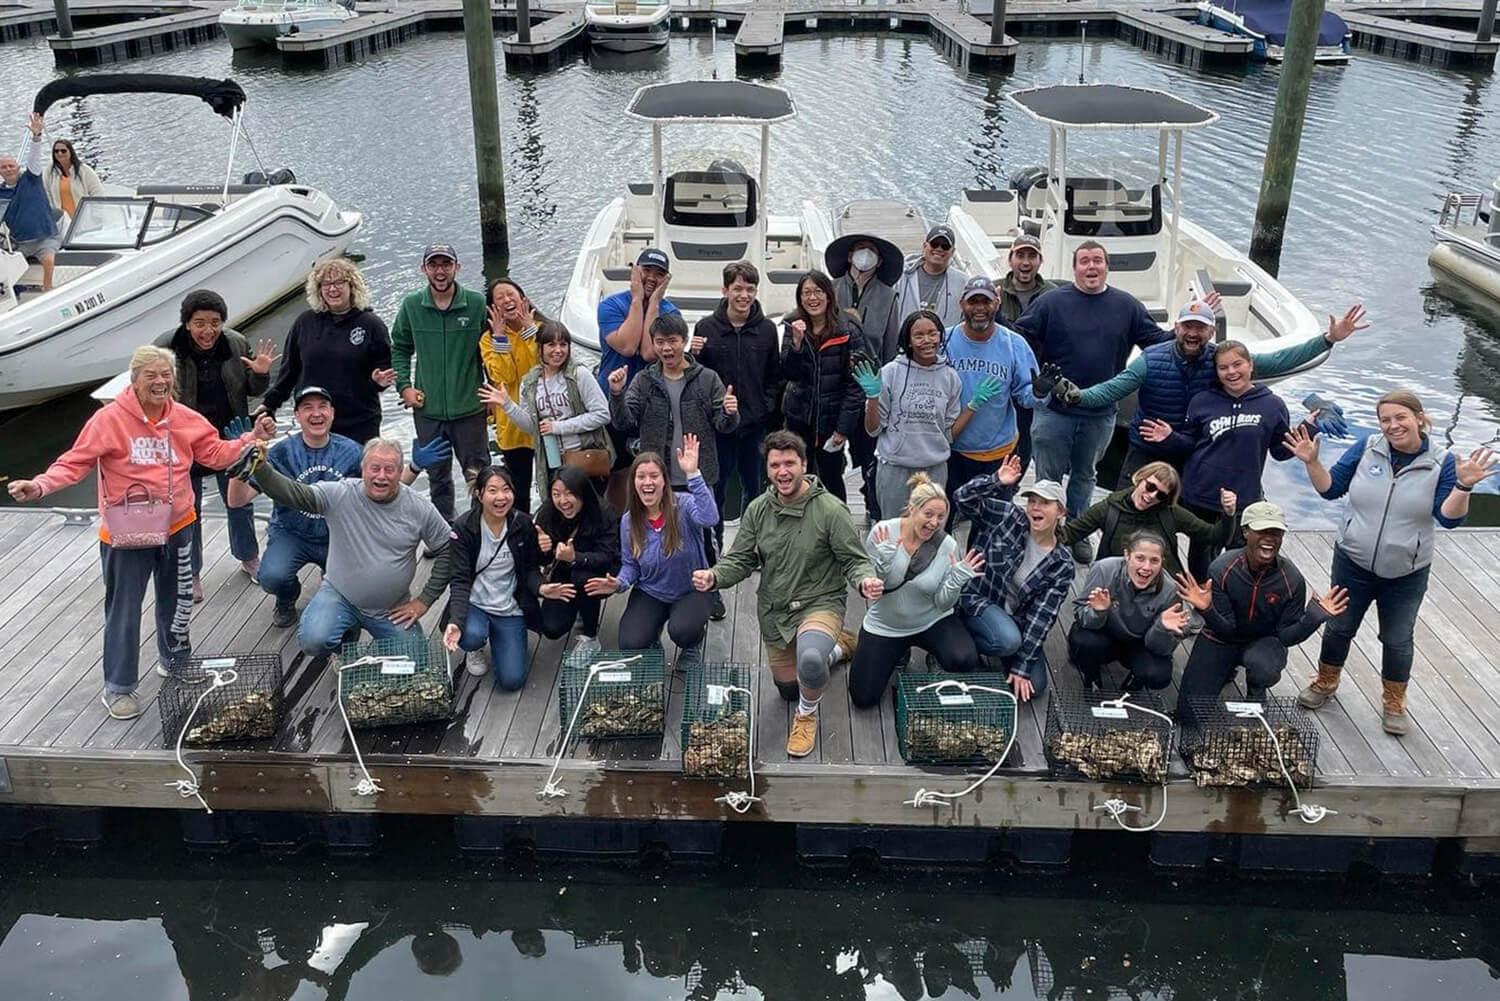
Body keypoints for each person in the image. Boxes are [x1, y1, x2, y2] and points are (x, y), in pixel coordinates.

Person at [6, 345, 271, 720]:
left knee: (176, 602)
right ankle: (118, 687)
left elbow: (215, 454)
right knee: (124, 611)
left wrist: (249, 440)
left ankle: (175, 661)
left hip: (179, 527)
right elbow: (75, 462)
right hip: (126, 534)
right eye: (151, 376)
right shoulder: (109, 420)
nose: (161, 382)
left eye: (166, 375)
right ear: (134, 381)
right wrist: (40, 486)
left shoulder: (185, 418)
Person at [1288, 392, 1499, 734]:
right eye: (1385, 419)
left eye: (1400, 417)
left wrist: (1463, 485)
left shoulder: (1442, 461)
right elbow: (1331, 490)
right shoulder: (1367, 447)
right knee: (1339, 626)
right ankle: (1326, 682)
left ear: (1419, 417)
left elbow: (1448, 519)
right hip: (1352, 559)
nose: (1392, 425)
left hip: (1406, 570)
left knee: (1397, 638)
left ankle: (1393, 701)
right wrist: (1312, 462)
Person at [693, 430, 881, 758]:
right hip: (776, 608)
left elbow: (855, 560)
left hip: (820, 601)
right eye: (775, 464)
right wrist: (714, 576)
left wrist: (865, 580)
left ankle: (807, 717)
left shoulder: (831, 510)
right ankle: (838, 649)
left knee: (808, 663)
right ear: (767, 469)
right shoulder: (757, 510)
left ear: (804, 464)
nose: (783, 471)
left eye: (790, 463)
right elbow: (741, 559)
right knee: (789, 689)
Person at [1056, 300, 1368, 484]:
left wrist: (1329, 338)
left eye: (1200, 327)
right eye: (1187, 326)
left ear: (1211, 331)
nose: (1193, 333)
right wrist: (1077, 395)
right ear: (1176, 328)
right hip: (1147, 449)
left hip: (1196, 451)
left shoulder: (1223, 359)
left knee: (1193, 525)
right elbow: (1113, 389)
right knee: (1126, 514)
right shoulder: (1151, 359)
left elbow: (1279, 360)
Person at [1013, 241, 1173, 558]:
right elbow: (1019, 337)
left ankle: (1075, 532)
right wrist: (1035, 379)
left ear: (1106, 266)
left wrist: (1188, 328)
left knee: (1085, 476)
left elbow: (1157, 342)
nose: (1091, 267)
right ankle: (1042, 533)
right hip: (1054, 410)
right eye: (1084, 261)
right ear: (1074, 268)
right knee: (1047, 477)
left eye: (1097, 261)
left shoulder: (1127, 306)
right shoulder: (1051, 302)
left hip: (1100, 413)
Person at [242, 437, 454, 655]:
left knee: (415, 660)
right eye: (375, 468)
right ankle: (345, 643)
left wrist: (424, 600)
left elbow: (449, 548)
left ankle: (370, 634)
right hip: (339, 596)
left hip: (391, 608)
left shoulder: (420, 508)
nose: (381, 476)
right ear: (362, 469)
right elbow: (295, 494)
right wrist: (261, 468)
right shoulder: (340, 493)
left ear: (400, 472)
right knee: (313, 640)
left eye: (389, 469)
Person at [609, 311, 739, 618]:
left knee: (708, 535)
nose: (667, 348)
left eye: (673, 341)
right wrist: (617, 394)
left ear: (684, 341)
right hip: (658, 478)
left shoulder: (707, 378)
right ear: (653, 345)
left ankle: (712, 588)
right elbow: (625, 422)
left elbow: (724, 425)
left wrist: (731, 412)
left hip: (697, 473)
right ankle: (657, 589)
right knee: (659, 536)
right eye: (660, 342)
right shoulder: (644, 380)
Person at [1139, 340, 1304, 578]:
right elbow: (1190, 443)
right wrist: (1170, 438)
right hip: (1200, 496)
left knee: (1240, 563)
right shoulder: (1202, 400)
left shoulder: (1272, 404)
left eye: (1237, 364)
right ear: (1216, 371)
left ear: (1250, 365)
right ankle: (1201, 604)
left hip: (1244, 498)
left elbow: (1280, 452)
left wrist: (1306, 435)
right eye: (1223, 367)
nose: (1231, 372)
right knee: (1200, 562)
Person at [1174, 501, 1348, 725]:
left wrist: (1314, 617)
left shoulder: (1292, 580)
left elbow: (1286, 637)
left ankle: (1256, 688)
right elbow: (1226, 630)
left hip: (1263, 641)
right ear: (1245, 532)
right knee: (1188, 717)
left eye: (1276, 532)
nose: (1270, 538)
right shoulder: (1221, 569)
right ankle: (1226, 668)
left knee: (1263, 668)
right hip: (1221, 636)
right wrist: (1206, 609)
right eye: (1262, 531)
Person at [155, 289, 278, 596]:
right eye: (199, 323)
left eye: (215, 322)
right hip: (183, 440)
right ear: (186, 324)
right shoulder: (165, 348)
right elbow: (148, 392)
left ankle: (248, 557)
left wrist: (262, 375)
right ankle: (190, 571)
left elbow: (252, 389)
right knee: (186, 509)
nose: (207, 330)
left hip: (229, 435)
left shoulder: (235, 343)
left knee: (239, 501)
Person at [226, 386, 364, 628]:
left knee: (348, 589)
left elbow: (380, 494)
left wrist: (412, 467)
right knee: (271, 577)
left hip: (337, 536)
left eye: (322, 406)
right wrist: (238, 461)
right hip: (292, 533)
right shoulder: (279, 452)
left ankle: (333, 590)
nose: (316, 413)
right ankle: (287, 596)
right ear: (296, 416)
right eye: (307, 408)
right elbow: (237, 501)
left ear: (333, 412)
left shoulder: (353, 451)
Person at [848, 473, 983, 710]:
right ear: (912, 508)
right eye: (928, 514)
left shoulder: (947, 546)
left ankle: (934, 657)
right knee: (863, 698)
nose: (934, 523)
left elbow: (943, 603)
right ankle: (896, 654)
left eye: (941, 517)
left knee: (964, 659)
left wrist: (957, 579)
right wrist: (884, 559)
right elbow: (875, 589)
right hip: (886, 625)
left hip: (931, 620)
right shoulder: (882, 532)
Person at [952, 457, 1074, 702]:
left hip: (1016, 621)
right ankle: (958, 641)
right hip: (978, 601)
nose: (1035, 508)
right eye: (1032, 501)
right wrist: (996, 481)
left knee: (1035, 686)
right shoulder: (1009, 516)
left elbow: (1042, 616)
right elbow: (962, 498)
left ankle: (998, 647)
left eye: (1045, 503)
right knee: (1007, 641)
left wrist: (1022, 666)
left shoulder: (1062, 564)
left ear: (1060, 511)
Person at [588, 442, 717, 667]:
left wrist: (693, 474)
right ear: (634, 483)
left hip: (691, 589)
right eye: (641, 477)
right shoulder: (628, 521)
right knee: (630, 642)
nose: (648, 482)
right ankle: (652, 638)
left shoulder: (684, 504)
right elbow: (631, 565)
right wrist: (618, 583)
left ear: (664, 481)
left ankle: (692, 644)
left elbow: (710, 518)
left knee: (683, 631)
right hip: (651, 591)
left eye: (654, 476)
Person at [391, 242, 489, 521]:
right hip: (428, 411)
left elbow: (489, 351)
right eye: (433, 265)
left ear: (457, 267)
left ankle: (481, 529)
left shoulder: (476, 303)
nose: (440, 271)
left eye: (446, 264)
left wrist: (493, 395)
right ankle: (444, 531)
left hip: (470, 409)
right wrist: (404, 386)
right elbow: (399, 347)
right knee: (438, 476)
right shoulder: (411, 305)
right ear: (424, 269)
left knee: (479, 475)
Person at [942, 275, 1056, 508]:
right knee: (946, 517)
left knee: (992, 523)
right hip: (951, 451)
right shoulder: (945, 339)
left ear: (997, 303)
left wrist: (1040, 392)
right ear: (962, 304)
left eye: (986, 301)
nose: (980, 308)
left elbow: (1027, 398)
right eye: (973, 302)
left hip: (998, 453)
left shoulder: (1015, 344)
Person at [260, 258, 395, 446]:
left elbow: (385, 368)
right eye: (326, 284)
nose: (333, 289)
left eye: (340, 282)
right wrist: (269, 405)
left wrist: (378, 382)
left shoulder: (371, 324)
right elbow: (289, 371)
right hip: (316, 422)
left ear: (352, 286)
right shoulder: (304, 322)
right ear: (318, 289)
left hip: (359, 421)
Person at [693, 260, 782, 539]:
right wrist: (692, 356)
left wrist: (765, 409)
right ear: (725, 290)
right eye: (738, 289)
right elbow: (696, 377)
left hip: (754, 425)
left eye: (750, 289)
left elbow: (774, 376)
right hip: (718, 426)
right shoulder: (705, 327)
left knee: (754, 489)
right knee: (715, 487)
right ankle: (715, 542)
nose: (744, 296)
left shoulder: (767, 330)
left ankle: (750, 545)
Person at [486, 320, 612, 509]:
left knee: (590, 512)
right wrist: (507, 404)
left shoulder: (579, 374)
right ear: (540, 348)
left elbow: (602, 414)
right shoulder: (530, 382)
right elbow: (532, 427)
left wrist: (559, 427)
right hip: (552, 462)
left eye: (563, 344)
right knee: (560, 513)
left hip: (583, 457)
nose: (558, 350)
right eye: (551, 344)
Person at [855, 310, 966, 519]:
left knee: (931, 531)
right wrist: (873, 397)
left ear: (941, 336)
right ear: (908, 340)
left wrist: (973, 407)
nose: (927, 340)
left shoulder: (951, 378)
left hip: (934, 469)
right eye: (919, 335)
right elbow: (873, 430)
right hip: (896, 468)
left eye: (932, 333)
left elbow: (949, 434)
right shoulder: (890, 372)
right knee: (894, 533)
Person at [442, 466, 544, 690]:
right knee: (470, 635)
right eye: (492, 490)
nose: (500, 497)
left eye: (506, 490)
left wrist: (545, 554)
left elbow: (531, 568)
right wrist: (455, 621)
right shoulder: (463, 527)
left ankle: (509, 639)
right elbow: (459, 579)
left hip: (510, 606)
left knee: (512, 681)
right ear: (479, 494)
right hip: (475, 603)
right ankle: (474, 648)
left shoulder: (522, 523)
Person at [1067, 530, 1198, 692]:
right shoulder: (1103, 569)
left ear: (1162, 562)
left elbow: (1162, 649)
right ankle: (1092, 674)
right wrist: (1098, 612)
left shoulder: (1171, 591)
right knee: (1081, 642)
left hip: (1141, 643)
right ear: (1127, 555)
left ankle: (1136, 680)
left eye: (1154, 560)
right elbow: (1079, 613)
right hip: (1105, 634)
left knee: (1158, 675)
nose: (1146, 567)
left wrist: (1161, 627)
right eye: (1140, 558)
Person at [1061, 461, 1235, 577]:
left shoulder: (1171, 514)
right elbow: (1069, 534)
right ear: (1140, 478)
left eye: (1160, 495)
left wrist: (1228, 514)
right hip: (1116, 583)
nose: (1152, 496)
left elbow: (1213, 536)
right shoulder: (1109, 508)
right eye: (1150, 486)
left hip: (1160, 590)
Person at [780, 270, 865, 502]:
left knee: (831, 479)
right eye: (806, 293)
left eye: (818, 291)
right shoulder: (792, 324)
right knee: (798, 477)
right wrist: (796, 344)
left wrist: (843, 429)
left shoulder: (848, 330)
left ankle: (838, 530)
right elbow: (788, 373)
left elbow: (856, 385)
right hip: (799, 418)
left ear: (829, 295)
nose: (812, 298)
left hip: (831, 420)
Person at [597, 248, 679, 470]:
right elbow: (627, 346)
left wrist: (653, 304)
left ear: (666, 279)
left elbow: (649, 352)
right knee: (614, 470)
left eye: (659, 273)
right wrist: (637, 298)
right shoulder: (610, 306)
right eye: (647, 270)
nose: (652, 277)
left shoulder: (671, 313)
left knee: (652, 470)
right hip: (611, 399)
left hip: (650, 404)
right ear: (635, 271)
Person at [996, 233, 1065, 473]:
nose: (1026, 262)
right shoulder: (994, 291)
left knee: (1025, 446)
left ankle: (1013, 486)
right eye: (1020, 255)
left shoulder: (1054, 295)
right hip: (998, 381)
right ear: (1010, 258)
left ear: (1040, 261)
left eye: (1031, 256)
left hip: (1036, 385)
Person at [534, 465, 620, 655]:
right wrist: (542, 549)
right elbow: (541, 560)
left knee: (584, 579)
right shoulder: (547, 513)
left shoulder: (603, 512)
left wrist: (576, 558)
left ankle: (590, 637)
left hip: (598, 571)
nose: (563, 501)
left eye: (569, 493)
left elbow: (607, 556)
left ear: (582, 492)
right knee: (552, 628)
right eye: (556, 494)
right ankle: (577, 607)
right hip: (562, 573)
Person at [479, 277, 542, 512]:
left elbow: (536, 367)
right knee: (518, 491)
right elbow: (505, 374)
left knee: (553, 485)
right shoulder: (488, 340)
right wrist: (500, 338)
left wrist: (528, 331)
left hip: (544, 420)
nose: (507, 300)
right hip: (512, 426)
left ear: (522, 298)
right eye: (499, 298)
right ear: (493, 308)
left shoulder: (541, 331)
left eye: (511, 294)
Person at [1, 113, 59, 291]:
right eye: (4, 167)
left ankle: (47, 290)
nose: (9, 169)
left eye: (11, 165)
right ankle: (16, 292)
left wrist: (36, 136)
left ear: (18, 167)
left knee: (48, 260)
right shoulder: (1, 193)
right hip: (20, 242)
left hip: (45, 237)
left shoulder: (31, 178)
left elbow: (34, 156)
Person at [888, 224, 968, 352]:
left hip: (943, 355)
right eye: (935, 244)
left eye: (945, 246)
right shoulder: (900, 275)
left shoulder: (963, 282)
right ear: (925, 246)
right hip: (903, 351)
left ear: (952, 252)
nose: (939, 248)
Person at [828, 233, 901, 362]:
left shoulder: (889, 297)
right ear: (850, 256)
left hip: (869, 375)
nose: (866, 253)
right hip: (832, 373)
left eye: (872, 250)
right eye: (861, 248)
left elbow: (891, 346)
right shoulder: (830, 289)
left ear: (879, 261)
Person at [44, 137, 104, 218]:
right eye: (56, 151)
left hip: (82, 220)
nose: (60, 153)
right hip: (62, 222)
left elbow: (97, 193)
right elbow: (46, 193)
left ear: (70, 152)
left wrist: (95, 216)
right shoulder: (49, 172)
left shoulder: (84, 170)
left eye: (63, 151)